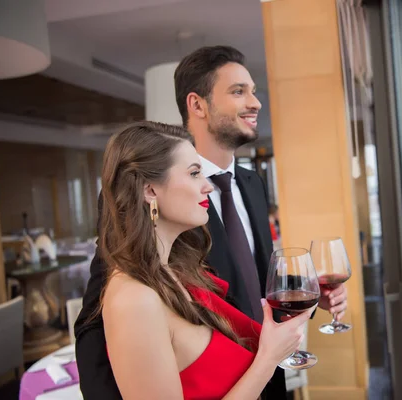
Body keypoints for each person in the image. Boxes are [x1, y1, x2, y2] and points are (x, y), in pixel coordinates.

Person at [74, 46, 348, 399]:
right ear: (197, 105)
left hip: (265, 372)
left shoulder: (252, 184)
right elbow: (97, 323)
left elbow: (255, 283)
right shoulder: (138, 209)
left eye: (254, 91)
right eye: (238, 91)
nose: (255, 103)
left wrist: (304, 298)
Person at [92, 121, 312, 399]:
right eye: (195, 173)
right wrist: (268, 359)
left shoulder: (176, 273)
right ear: (149, 191)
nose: (208, 186)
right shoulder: (135, 300)